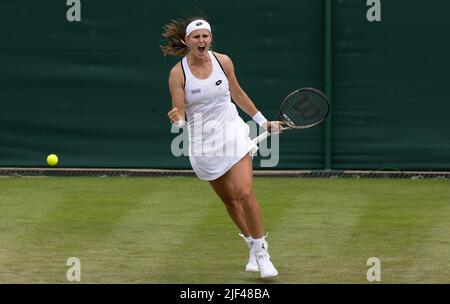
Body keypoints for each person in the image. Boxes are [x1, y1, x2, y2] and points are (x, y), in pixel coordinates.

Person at [161, 17, 281, 279]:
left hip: (232, 132)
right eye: (196, 37)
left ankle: (262, 253)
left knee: (245, 193)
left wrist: (263, 122)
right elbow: (180, 114)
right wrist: (177, 119)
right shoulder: (177, 73)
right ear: (187, 41)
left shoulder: (223, 61)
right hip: (203, 143)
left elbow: (236, 93)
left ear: (211, 39)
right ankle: (251, 244)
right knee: (230, 200)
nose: (201, 41)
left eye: (206, 36)